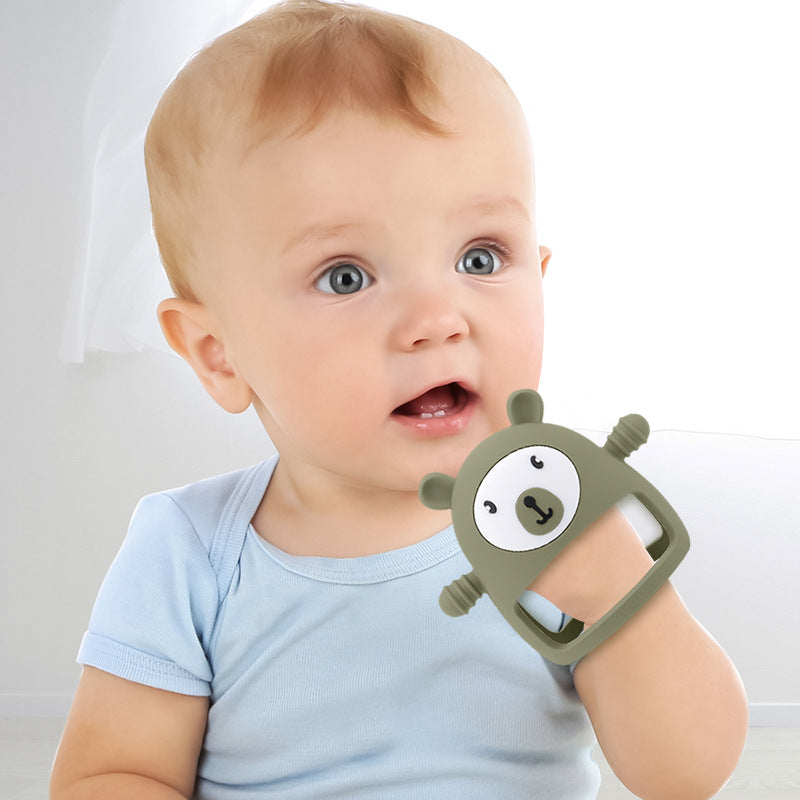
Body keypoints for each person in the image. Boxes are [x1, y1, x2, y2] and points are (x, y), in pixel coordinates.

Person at [50, 2, 748, 798]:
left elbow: (686, 774)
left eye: (480, 258)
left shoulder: (549, 520)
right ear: (219, 353)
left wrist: (624, 597)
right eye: (345, 276)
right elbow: (113, 773)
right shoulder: (191, 553)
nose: (437, 319)